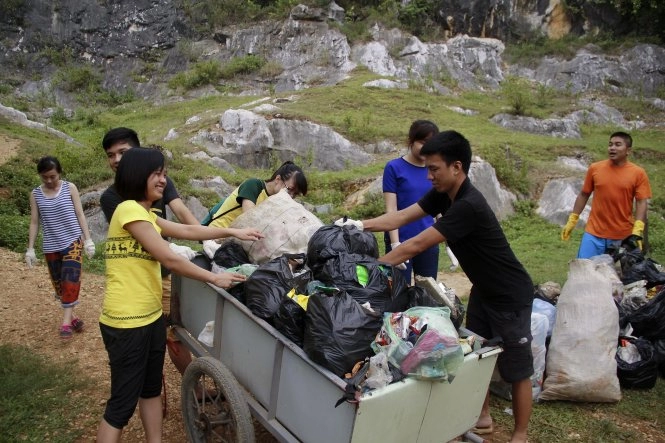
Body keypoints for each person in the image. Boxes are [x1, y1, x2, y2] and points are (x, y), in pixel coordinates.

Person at [335, 130, 533, 443]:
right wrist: (360, 225)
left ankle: (520, 435)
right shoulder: (443, 194)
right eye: (427, 169)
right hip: (483, 288)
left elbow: (415, 245)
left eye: (434, 169)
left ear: (457, 167)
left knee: (517, 367)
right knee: (482, 354)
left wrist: (368, 271)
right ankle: (482, 418)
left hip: (510, 294)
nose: (428, 176)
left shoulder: (468, 205)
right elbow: (400, 217)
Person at [96, 147, 263, 442]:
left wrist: (234, 233)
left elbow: (187, 231)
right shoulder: (128, 210)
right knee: (121, 404)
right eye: (156, 174)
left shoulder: (145, 214)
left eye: (164, 174)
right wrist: (214, 277)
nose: (163, 180)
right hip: (125, 322)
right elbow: (170, 259)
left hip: (148, 317)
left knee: (150, 389)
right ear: (138, 175)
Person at [100, 127, 199, 377]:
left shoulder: (159, 179)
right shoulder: (113, 198)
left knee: (181, 328)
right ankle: (193, 387)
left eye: (122, 152)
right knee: (171, 333)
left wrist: (204, 236)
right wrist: (172, 248)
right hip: (148, 274)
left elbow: (181, 213)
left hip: (170, 265)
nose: (117, 160)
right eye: (111, 155)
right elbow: (146, 236)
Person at [26, 156, 96, 340]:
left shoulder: (69, 188)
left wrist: (88, 240)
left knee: (70, 280)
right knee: (59, 285)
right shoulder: (35, 194)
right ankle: (72, 317)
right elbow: (34, 222)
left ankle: (65, 323)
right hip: (51, 245)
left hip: (73, 241)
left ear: (59, 173)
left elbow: (80, 214)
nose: (49, 181)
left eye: (52, 176)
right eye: (45, 177)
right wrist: (30, 248)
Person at [561, 131, 652, 258]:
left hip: (622, 235)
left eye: (618, 144)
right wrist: (573, 219)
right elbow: (584, 194)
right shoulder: (595, 168)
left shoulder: (638, 173)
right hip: (594, 233)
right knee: (585, 269)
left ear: (628, 150)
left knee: (620, 275)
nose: (612, 148)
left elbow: (641, 201)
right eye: (610, 144)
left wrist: (638, 228)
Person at [202, 160, 308, 256]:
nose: (291, 196)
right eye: (290, 190)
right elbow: (250, 220)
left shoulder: (277, 202)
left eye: (295, 194)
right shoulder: (253, 185)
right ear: (278, 179)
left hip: (236, 243)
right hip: (215, 236)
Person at [383, 120, 441, 283]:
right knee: (399, 292)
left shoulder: (434, 169)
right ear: (411, 141)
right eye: (423, 142)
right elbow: (391, 209)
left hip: (428, 240)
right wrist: (395, 244)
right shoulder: (394, 167)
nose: (427, 148)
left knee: (427, 292)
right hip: (401, 240)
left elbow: (438, 206)